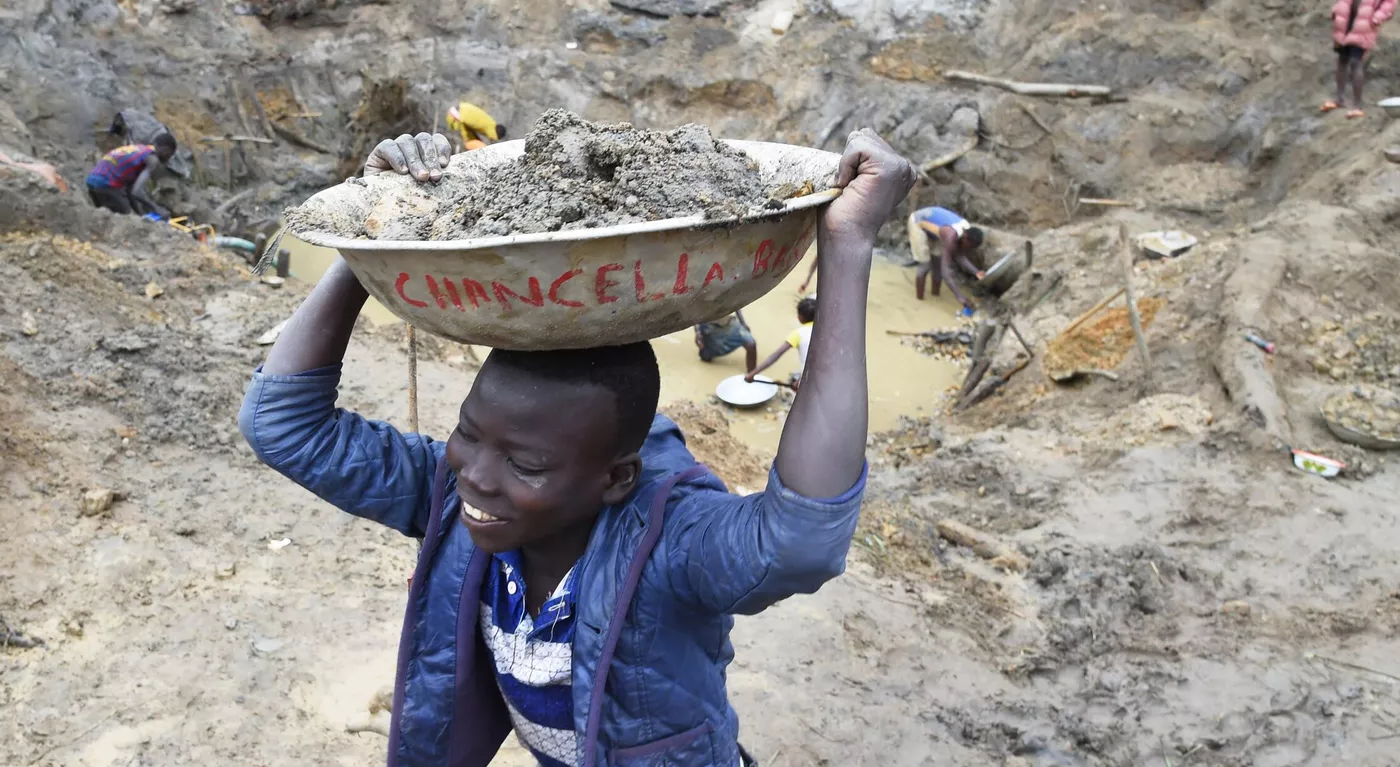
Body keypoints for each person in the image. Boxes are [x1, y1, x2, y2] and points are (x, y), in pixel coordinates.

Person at [239, 129, 914, 765]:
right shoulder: (449, 501)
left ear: (616, 477)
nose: (474, 475)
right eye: (468, 433)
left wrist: (848, 246)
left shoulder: (667, 548)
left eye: (526, 464)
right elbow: (283, 426)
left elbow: (799, 540)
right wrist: (377, 235)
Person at [1328, 0, 1399, 118]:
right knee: (1342, 59)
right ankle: (1339, 98)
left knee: (1356, 62)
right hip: (1345, 20)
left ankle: (1357, 105)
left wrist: (1377, 18)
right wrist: (1337, 9)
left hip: (1365, 24)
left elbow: (1390, 3)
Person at [909, 205, 985, 310]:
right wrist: (960, 297)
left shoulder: (966, 230)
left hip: (937, 228)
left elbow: (960, 255)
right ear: (965, 238)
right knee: (925, 266)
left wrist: (977, 272)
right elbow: (946, 274)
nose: (970, 249)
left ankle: (935, 296)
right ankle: (919, 302)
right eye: (970, 247)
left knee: (937, 262)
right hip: (918, 223)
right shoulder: (950, 237)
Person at [86, 134, 175, 218]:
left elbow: (130, 190)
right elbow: (136, 191)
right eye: (169, 155)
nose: (167, 159)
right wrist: (156, 208)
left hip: (91, 181)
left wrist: (141, 215)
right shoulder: (152, 159)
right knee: (125, 218)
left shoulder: (138, 149)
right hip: (106, 184)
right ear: (166, 150)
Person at [744, 296, 817, 390]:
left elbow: (775, 356)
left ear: (800, 317)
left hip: (811, 377)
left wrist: (752, 373)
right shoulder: (828, 328)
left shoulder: (798, 334)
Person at [694, 311, 758, 373]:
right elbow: (695, 311)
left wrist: (743, 323)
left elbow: (737, 304)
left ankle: (751, 375)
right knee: (706, 357)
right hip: (709, 327)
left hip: (729, 323)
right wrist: (698, 332)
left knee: (751, 344)